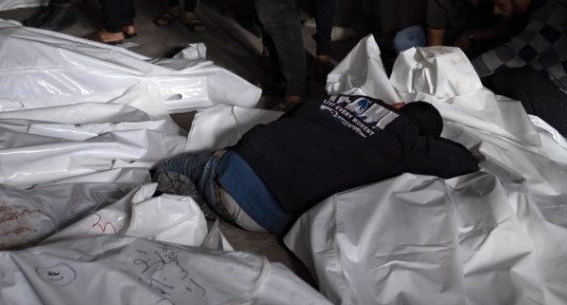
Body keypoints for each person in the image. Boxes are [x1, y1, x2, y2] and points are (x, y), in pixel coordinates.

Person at [152, 95, 478, 234]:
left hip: (228, 171)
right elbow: (464, 160)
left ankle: (197, 199)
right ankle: (204, 208)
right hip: (264, 219)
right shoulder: (406, 146)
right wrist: (422, 142)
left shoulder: (348, 99)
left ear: (398, 105)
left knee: (167, 167)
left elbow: (291, 119)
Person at [469, 0, 567, 138]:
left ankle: (527, 136)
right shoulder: (541, 11)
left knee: (506, 75)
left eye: (499, 4)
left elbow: (509, 55)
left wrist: (460, 72)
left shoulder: (549, 19)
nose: (496, 11)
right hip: (566, 101)